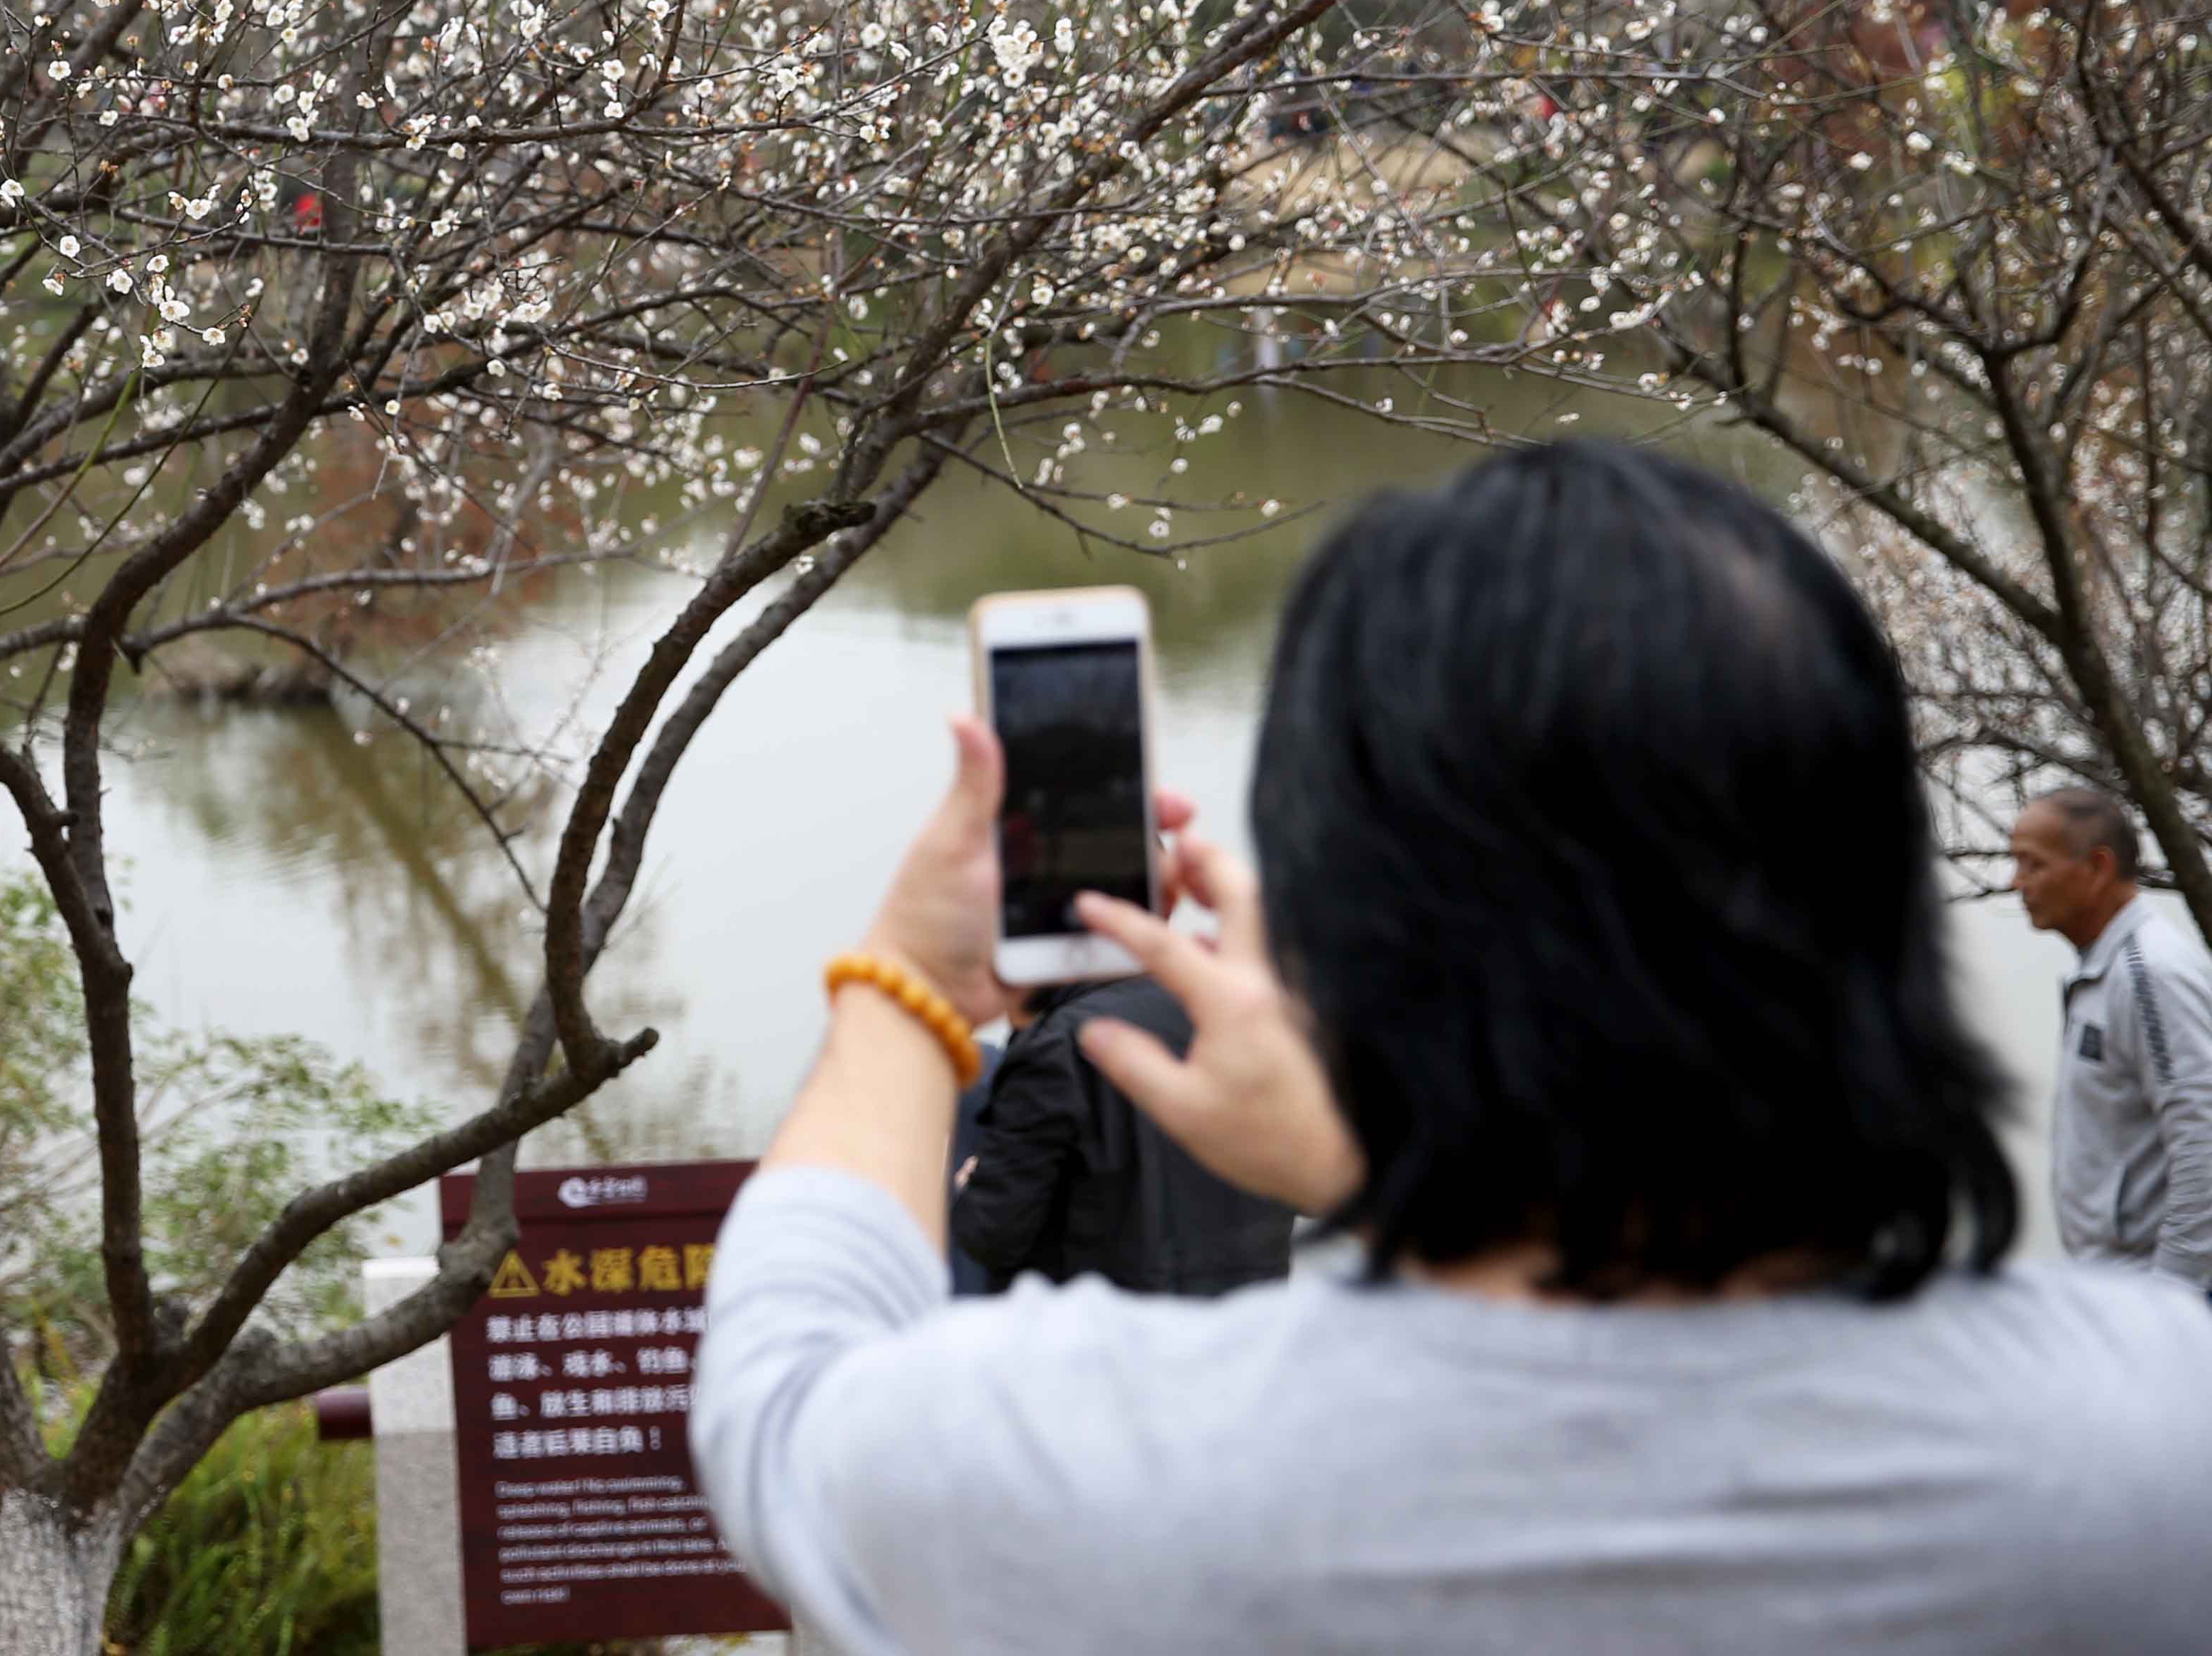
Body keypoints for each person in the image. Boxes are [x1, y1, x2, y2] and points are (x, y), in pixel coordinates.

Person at [692, 444, 2212, 1654]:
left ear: (1347, 936)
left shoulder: (1114, 1478)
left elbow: (779, 1390)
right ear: (1884, 911)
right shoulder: (2142, 1449)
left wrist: (912, 976)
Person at [947, 974, 1290, 1296]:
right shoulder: (1242, 1021)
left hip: (1110, 1324)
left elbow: (988, 1232)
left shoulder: (1056, 1043)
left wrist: (968, 1188)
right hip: (1251, 1317)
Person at [2006, 782, 2212, 1290]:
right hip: (2119, 1292)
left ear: (2098, 867)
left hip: (2157, 1297)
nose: (2017, 883)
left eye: (2034, 864)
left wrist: (2169, 1296)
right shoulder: (2108, 969)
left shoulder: (2151, 974)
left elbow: (2204, 1140)